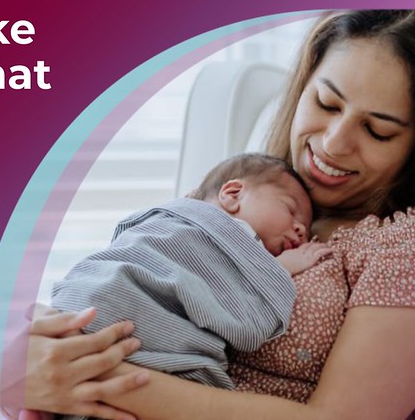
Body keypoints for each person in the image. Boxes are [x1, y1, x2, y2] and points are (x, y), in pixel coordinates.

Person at [8, 10, 415, 420]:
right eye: (326, 102)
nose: (332, 143)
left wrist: (95, 381)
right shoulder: (247, 201)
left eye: (378, 130)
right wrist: (16, 372)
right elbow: (139, 286)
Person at [52, 154, 332, 406]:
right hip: (110, 300)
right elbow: (248, 327)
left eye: (306, 230)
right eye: (290, 209)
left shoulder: (245, 256)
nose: (300, 229)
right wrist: (279, 270)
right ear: (233, 194)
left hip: (86, 323)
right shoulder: (199, 225)